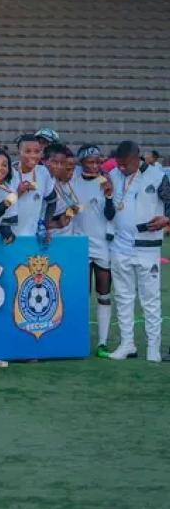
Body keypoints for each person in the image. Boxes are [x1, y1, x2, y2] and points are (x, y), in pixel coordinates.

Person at [106, 141, 170, 363]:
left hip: (148, 248)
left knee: (150, 300)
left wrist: (166, 218)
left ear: (138, 158)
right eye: (120, 164)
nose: (122, 168)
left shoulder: (157, 175)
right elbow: (110, 208)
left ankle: (153, 348)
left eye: (126, 164)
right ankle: (127, 344)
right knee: (123, 297)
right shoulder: (113, 175)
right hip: (120, 246)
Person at [71, 144, 116, 357]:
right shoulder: (72, 179)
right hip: (79, 244)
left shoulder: (105, 181)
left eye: (99, 161)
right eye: (91, 161)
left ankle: (103, 342)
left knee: (104, 293)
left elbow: (110, 215)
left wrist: (108, 196)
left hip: (102, 245)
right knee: (82, 293)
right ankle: (78, 339)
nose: (96, 165)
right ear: (81, 162)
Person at [8, 134, 57, 239]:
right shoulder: (8, 172)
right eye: (28, 151)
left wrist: (45, 225)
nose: (33, 156)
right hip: (8, 237)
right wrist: (17, 193)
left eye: (37, 151)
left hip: (32, 239)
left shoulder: (43, 172)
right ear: (19, 151)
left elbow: (52, 201)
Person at [46, 144, 79, 237]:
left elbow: (77, 207)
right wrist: (56, 224)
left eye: (73, 169)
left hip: (66, 236)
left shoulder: (68, 182)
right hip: (48, 238)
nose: (71, 173)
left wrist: (69, 214)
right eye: (68, 169)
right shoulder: (45, 183)